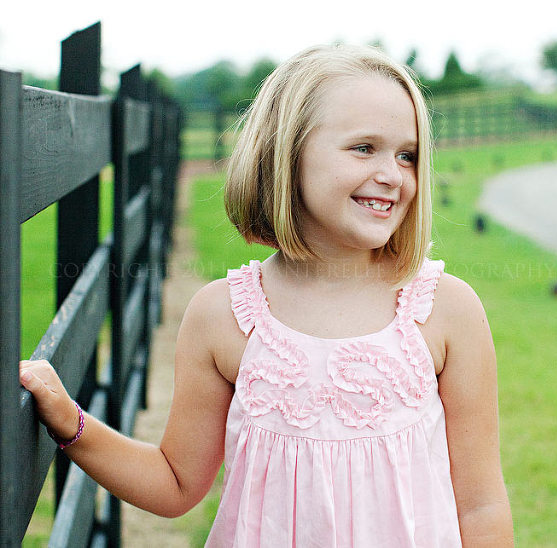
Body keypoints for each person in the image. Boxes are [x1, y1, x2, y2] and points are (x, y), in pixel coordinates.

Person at [20, 44, 514, 547]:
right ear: (285, 153)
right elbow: (175, 483)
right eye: (364, 148)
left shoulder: (443, 310)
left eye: (407, 155)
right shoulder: (225, 317)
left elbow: (481, 503)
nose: (392, 174)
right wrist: (70, 422)